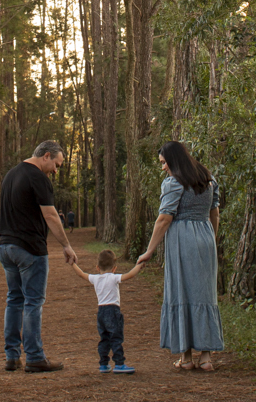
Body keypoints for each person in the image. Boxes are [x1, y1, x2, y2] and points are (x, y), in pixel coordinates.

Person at [137, 140, 223, 372]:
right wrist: (211, 239)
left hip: (182, 239)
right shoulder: (209, 178)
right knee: (204, 293)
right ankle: (205, 357)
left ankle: (186, 358)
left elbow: (165, 218)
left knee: (181, 290)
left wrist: (149, 250)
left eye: (164, 163)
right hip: (205, 237)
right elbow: (214, 213)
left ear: (174, 160)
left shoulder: (173, 183)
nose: (163, 167)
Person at [0, 140, 78, 373]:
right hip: (29, 250)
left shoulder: (10, 175)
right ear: (45, 156)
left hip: (6, 248)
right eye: (57, 164)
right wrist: (66, 245)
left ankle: (12, 356)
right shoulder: (37, 177)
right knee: (33, 302)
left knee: (14, 299)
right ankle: (34, 356)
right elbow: (51, 216)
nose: (55, 171)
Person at [71, 249, 143, 374]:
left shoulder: (95, 278)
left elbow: (81, 274)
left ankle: (103, 364)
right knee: (116, 337)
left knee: (104, 338)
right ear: (114, 268)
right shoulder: (114, 278)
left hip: (101, 312)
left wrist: (72, 264)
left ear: (97, 267)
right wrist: (139, 265)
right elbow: (130, 274)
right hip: (113, 310)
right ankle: (119, 363)